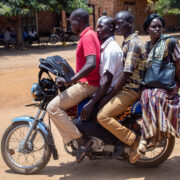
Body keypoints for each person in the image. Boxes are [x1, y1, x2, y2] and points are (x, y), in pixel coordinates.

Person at [47, 8, 101, 163]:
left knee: (52, 107)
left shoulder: (87, 37)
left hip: (88, 85)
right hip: (87, 83)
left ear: (78, 21)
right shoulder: (90, 35)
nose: (70, 26)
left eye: (71, 22)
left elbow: (91, 63)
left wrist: (72, 80)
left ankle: (81, 141)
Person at [96, 11, 146, 164]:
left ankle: (133, 140)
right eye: (115, 23)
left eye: (120, 23)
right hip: (127, 88)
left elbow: (126, 74)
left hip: (130, 90)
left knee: (102, 116)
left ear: (130, 23)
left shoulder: (134, 44)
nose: (116, 26)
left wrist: (108, 95)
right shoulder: (127, 42)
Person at [77, 17, 124, 157]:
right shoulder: (105, 47)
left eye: (101, 27)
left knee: (79, 122)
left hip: (108, 93)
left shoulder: (111, 50)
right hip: (104, 90)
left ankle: (116, 141)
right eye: (97, 27)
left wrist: (92, 103)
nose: (98, 30)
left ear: (111, 29)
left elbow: (107, 81)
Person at [137, 14, 180, 155]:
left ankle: (147, 137)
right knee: (146, 96)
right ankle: (152, 136)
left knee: (155, 98)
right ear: (147, 29)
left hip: (166, 85)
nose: (157, 29)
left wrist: (177, 86)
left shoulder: (170, 43)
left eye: (159, 27)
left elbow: (179, 66)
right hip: (150, 84)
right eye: (153, 26)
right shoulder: (146, 47)